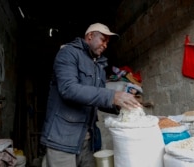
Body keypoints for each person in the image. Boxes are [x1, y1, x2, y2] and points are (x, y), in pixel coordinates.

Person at [40, 23, 142, 167]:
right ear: (90, 36)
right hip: (62, 140)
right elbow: (68, 89)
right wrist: (112, 96)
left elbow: (97, 99)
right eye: (103, 39)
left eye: (107, 42)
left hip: (87, 140)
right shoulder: (68, 53)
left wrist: (122, 104)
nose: (105, 45)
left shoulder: (99, 66)